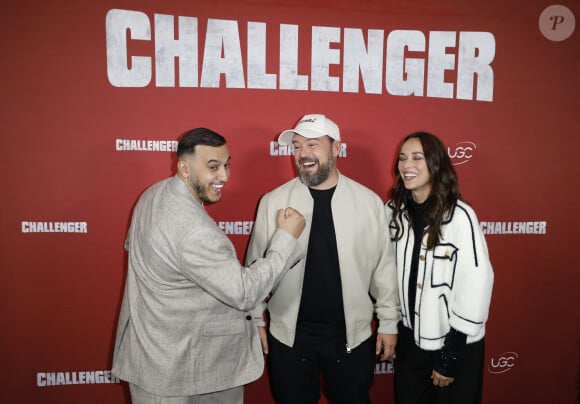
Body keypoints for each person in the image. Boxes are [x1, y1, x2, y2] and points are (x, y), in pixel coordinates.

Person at [112, 128, 306, 404]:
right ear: (184, 168)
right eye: (212, 167)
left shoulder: (152, 195)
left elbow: (136, 248)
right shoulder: (193, 231)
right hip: (187, 372)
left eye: (226, 165)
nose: (224, 176)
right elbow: (244, 292)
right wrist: (286, 238)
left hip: (154, 359)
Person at [245, 114, 400, 404]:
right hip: (289, 337)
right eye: (297, 146)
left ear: (336, 149)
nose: (303, 154)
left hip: (351, 338)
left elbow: (384, 270)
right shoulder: (272, 201)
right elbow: (255, 267)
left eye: (313, 145)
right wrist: (254, 319)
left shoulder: (368, 203)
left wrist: (389, 323)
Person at [385, 132, 494, 404]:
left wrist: (450, 355)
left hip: (453, 342)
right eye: (402, 158)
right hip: (410, 341)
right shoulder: (393, 211)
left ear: (435, 163)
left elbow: (477, 284)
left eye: (417, 157)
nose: (407, 164)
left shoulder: (459, 216)